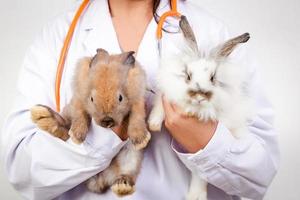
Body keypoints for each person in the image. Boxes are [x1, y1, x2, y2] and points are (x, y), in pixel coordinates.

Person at [1, 0, 279, 199]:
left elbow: (259, 174)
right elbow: (23, 173)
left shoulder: (211, 32)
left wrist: (207, 143)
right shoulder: (58, 37)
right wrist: (108, 128)